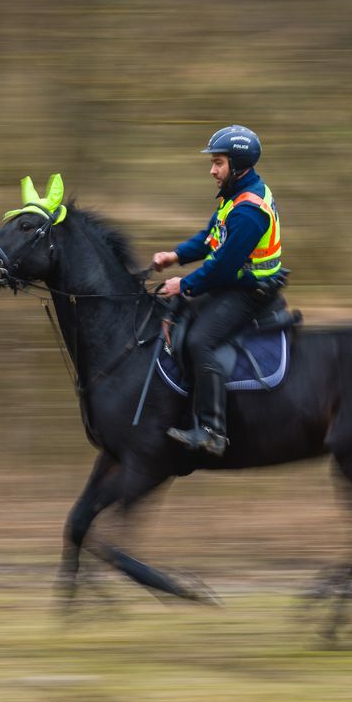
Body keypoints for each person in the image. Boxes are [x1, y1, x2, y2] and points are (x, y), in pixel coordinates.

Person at [152, 125, 283, 456]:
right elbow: (211, 238)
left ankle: (212, 430)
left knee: (200, 340)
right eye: (213, 162)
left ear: (238, 164)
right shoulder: (234, 198)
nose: (212, 170)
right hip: (234, 284)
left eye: (218, 162)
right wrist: (175, 256)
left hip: (251, 293)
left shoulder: (249, 210)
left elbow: (223, 265)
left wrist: (184, 283)